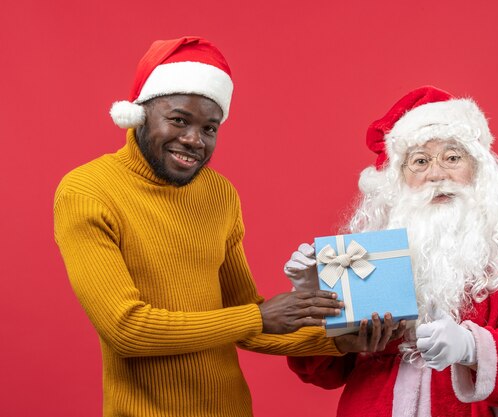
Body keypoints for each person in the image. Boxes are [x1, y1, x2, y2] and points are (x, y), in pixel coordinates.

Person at [53, 37, 401, 417]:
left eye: (210, 128)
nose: (193, 140)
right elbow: (127, 330)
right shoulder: (87, 191)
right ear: (139, 113)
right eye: (179, 119)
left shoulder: (220, 195)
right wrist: (257, 316)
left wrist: (341, 341)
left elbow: (245, 320)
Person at [284, 86, 498, 417]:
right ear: (398, 178)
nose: (436, 174)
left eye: (452, 157)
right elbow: (319, 371)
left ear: (478, 167)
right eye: (420, 161)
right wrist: (313, 299)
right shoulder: (366, 251)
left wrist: (471, 347)